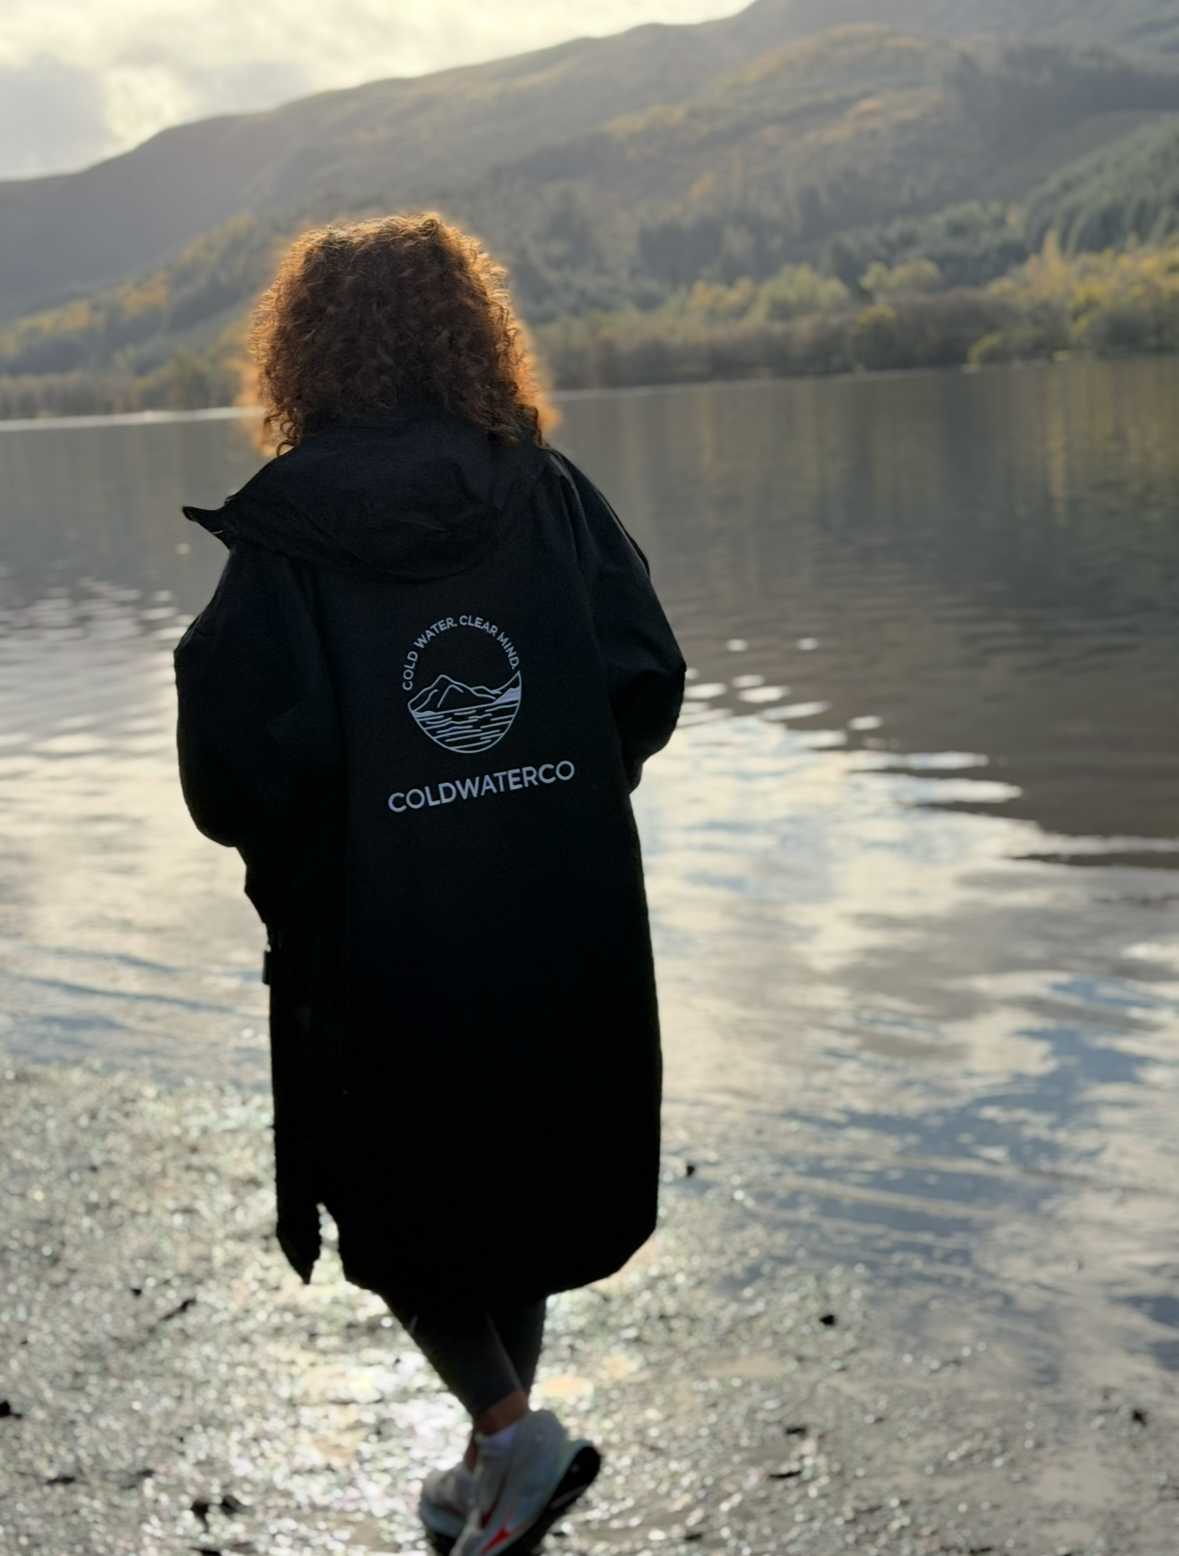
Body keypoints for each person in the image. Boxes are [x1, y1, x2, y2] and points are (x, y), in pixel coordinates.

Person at [173, 213, 685, 1556]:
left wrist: (347, 848)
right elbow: (643, 671)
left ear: (305, 354)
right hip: (555, 907)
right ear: (472, 331)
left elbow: (234, 764)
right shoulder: (546, 490)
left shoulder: (284, 532)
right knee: (517, 1173)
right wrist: (551, 800)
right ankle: (496, 1458)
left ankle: (512, 1438)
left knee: (404, 1202)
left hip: (381, 934)